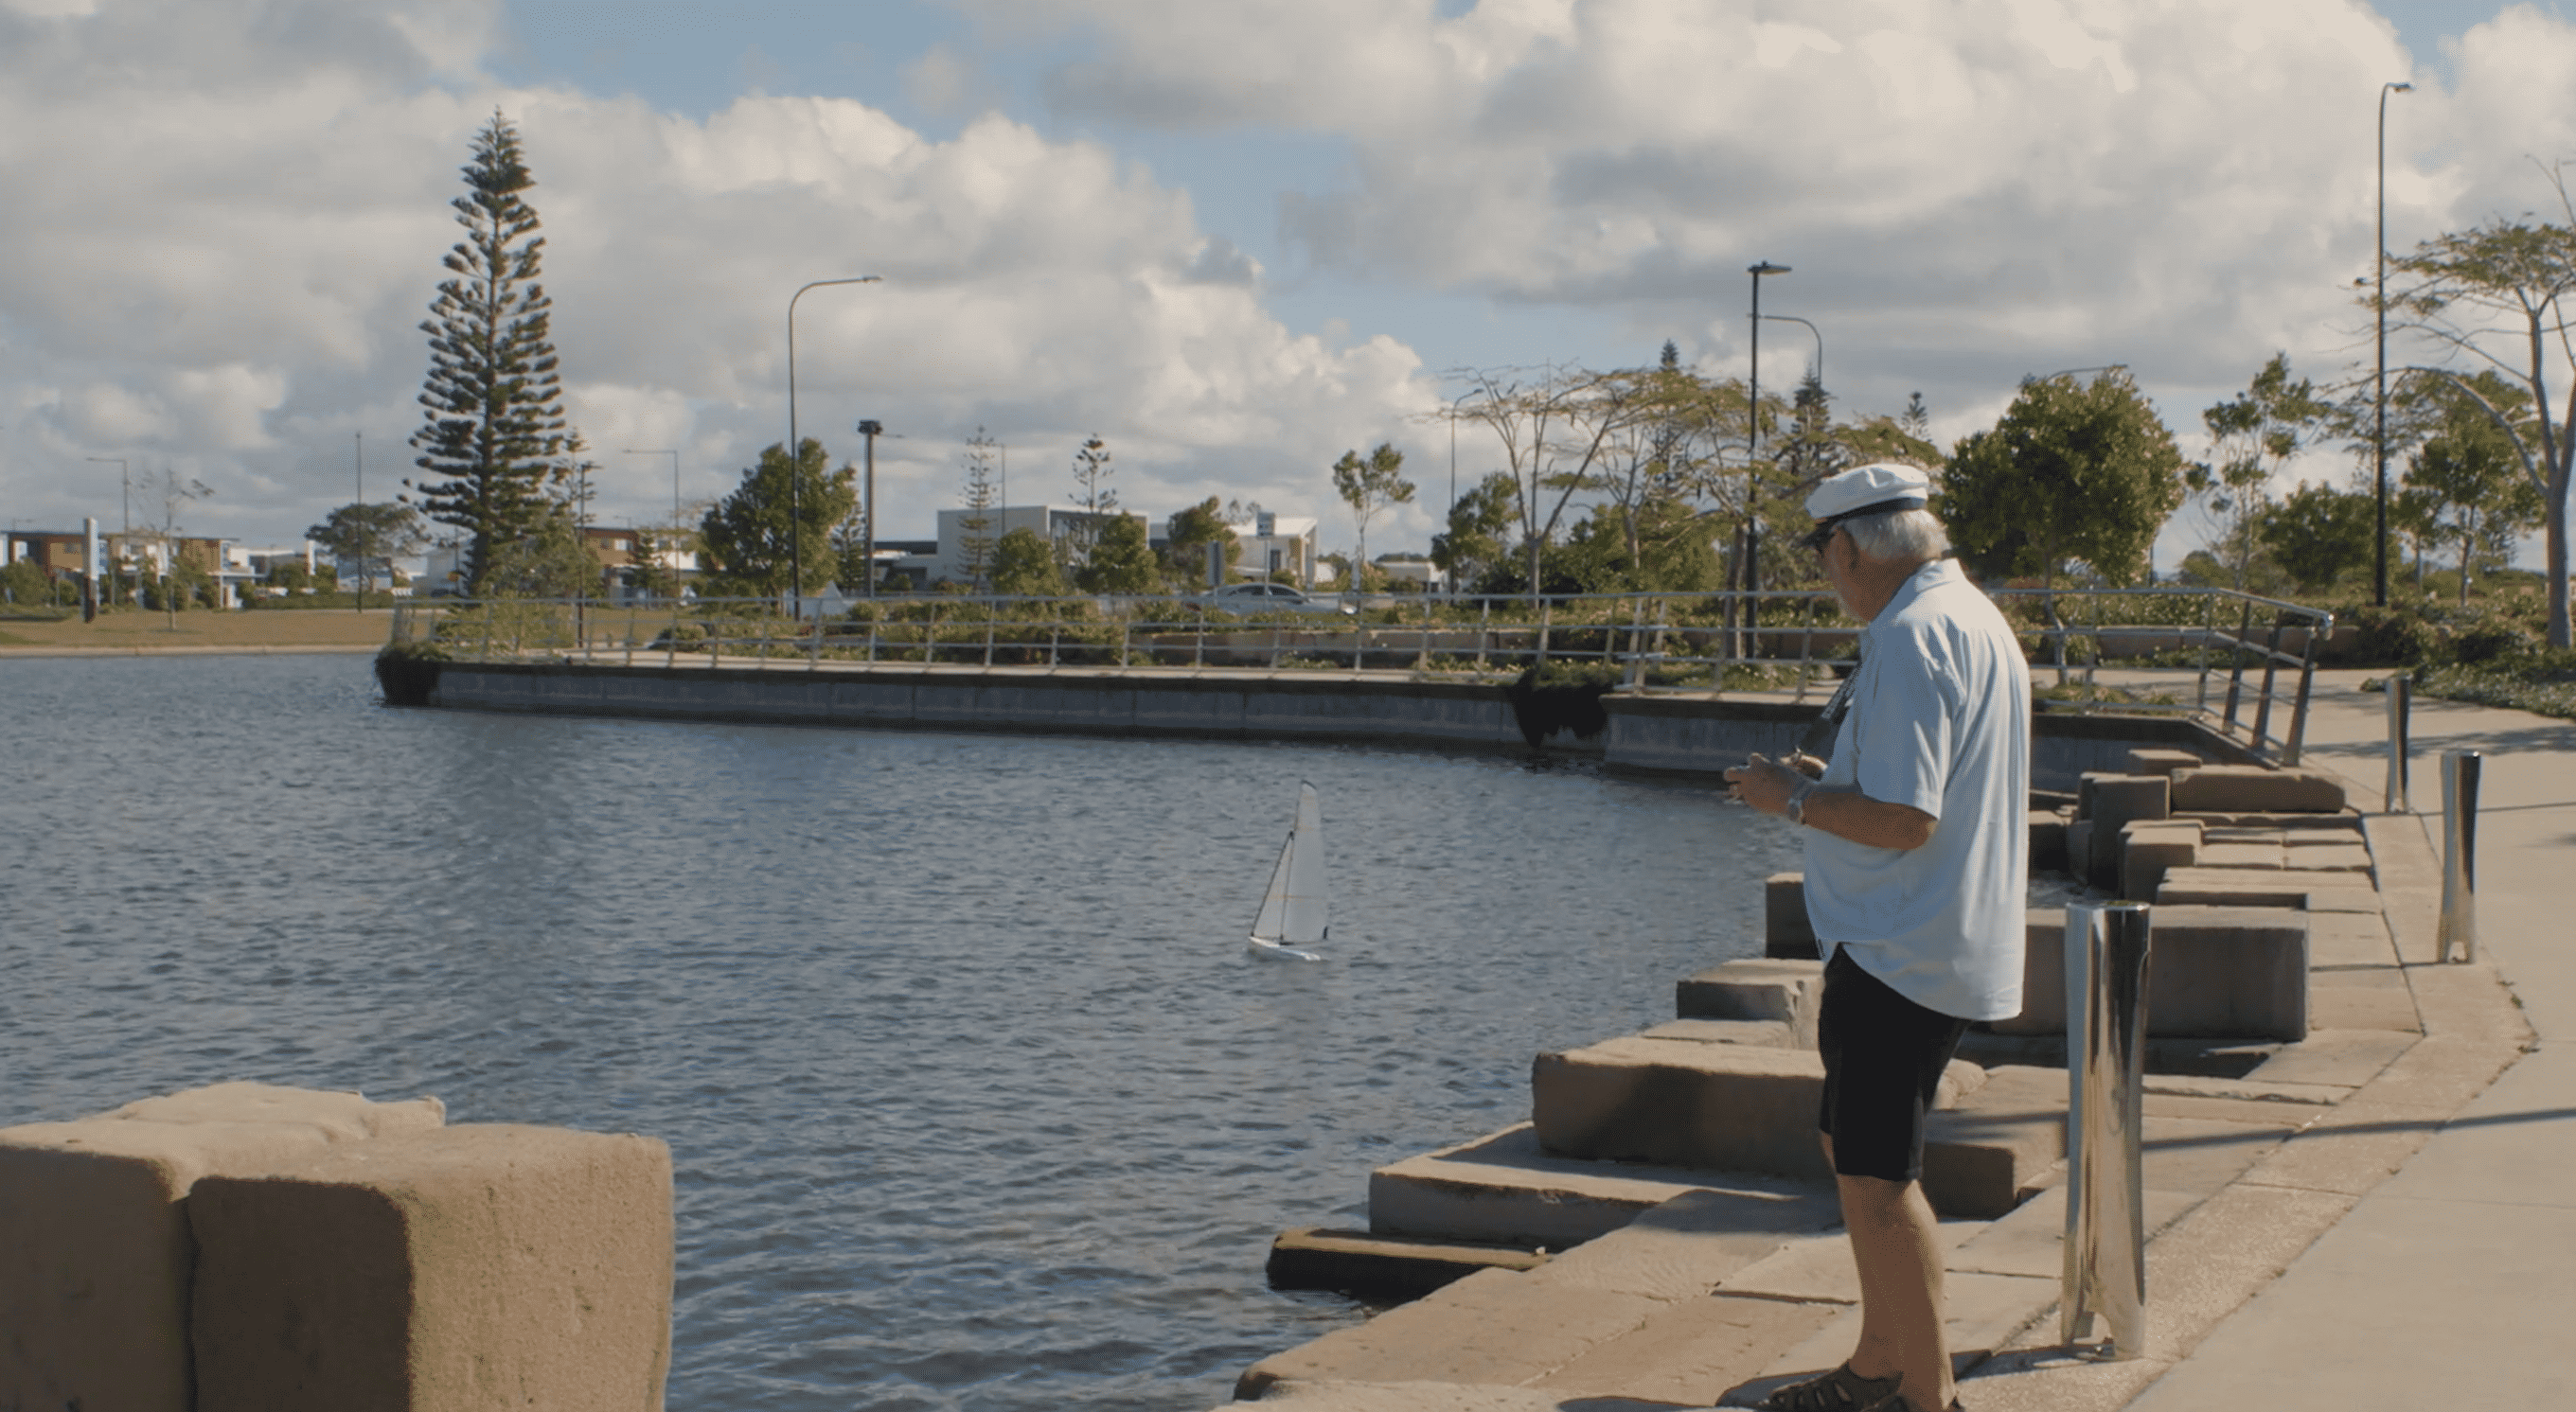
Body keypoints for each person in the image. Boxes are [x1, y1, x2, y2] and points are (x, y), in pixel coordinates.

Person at [1722, 462, 2030, 1412]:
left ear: (1849, 547)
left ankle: (1923, 1394)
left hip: (1904, 945)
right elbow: (1914, 784)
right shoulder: (1971, 617)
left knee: (1877, 1178)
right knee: (1853, 1155)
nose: (1829, 580)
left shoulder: (1908, 636)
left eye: (1826, 561)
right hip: (1924, 936)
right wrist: (1828, 776)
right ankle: (1877, 1360)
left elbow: (1906, 817)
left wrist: (1797, 798)